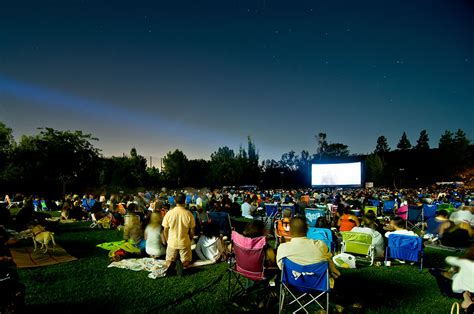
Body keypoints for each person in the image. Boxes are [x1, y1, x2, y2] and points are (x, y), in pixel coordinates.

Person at [162, 192, 195, 275]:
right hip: (184, 241)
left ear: (175, 201)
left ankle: (173, 265)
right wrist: (190, 239)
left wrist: (167, 240)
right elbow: (192, 231)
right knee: (186, 261)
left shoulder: (169, 213)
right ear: (185, 201)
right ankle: (182, 266)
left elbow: (165, 230)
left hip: (172, 242)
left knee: (169, 261)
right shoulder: (189, 214)